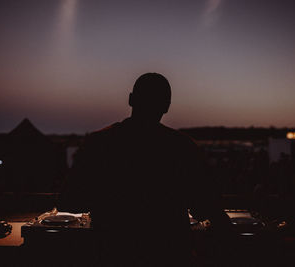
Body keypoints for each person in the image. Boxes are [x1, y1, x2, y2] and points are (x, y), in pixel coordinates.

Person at [61, 73, 229, 266]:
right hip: (169, 254)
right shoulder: (182, 147)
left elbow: (69, 201)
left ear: (131, 99)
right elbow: (207, 208)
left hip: (111, 253)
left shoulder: (99, 143)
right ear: (167, 106)